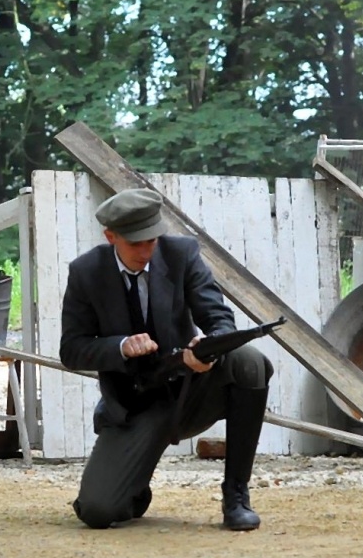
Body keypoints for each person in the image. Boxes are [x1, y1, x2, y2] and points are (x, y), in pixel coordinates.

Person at [59, 189, 272, 530]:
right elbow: (71, 349)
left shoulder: (181, 253)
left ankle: (236, 495)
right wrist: (121, 346)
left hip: (191, 390)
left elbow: (218, 316)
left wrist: (210, 345)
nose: (146, 251)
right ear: (110, 237)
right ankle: (133, 485)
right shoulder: (86, 272)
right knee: (98, 512)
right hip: (135, 405)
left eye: (152, 240)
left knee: (248, 360)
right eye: (136, 244)